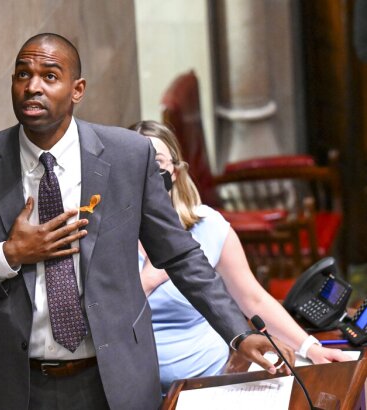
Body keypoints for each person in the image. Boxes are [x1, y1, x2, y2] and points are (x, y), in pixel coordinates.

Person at [0, 33, 291, 410]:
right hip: (16, 385)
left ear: (77, 89)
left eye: (49, 76)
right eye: (22, 74)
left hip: (113, 381)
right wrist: (9, 255)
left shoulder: (129, 156)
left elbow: (179, 256)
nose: (32, 87)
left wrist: (238, 332)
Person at [130, 120, 353, 391]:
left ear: (174, 172)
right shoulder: (105, 234)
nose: (148, 173)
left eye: (158, 163)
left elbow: (252, 297)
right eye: (137, 164)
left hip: (210, 382)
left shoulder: (207, 226)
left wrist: (310, 347)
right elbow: (96, 323)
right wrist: (148, 281)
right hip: (140, 392)